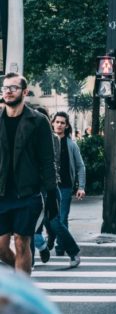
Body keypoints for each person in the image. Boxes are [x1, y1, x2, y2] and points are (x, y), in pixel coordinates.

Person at [0, 72, 57, 275]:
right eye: (5, 87)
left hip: (28, 193)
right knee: (0, 247)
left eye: (13, 88)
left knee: (22, 242)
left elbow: (47, 160)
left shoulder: (39, 121)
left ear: (24, 92)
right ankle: (19, 274)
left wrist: (51, 194)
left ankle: (23, 295)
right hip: (1, 192)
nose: (8, 91)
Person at [33, 107, 81, 268]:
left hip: (50, 188)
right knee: (32, 225)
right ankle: (34, 255)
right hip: (31, 188)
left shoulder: (53, 139)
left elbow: (51, 164)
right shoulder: (28, 137)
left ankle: (73, 252)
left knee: (55, 222)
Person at [51, 111, 86, 256]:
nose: (59, 125)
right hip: (49, 186)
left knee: (62, 217)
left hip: (65, 186)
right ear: (52, 123)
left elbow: (80, 166)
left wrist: (81, 187)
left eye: (62, 123)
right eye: (57, 122)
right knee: (50, 218)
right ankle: (50, 240)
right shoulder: (46, 141)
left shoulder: (71, 144)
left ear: (66, 126)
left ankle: (60, 248)